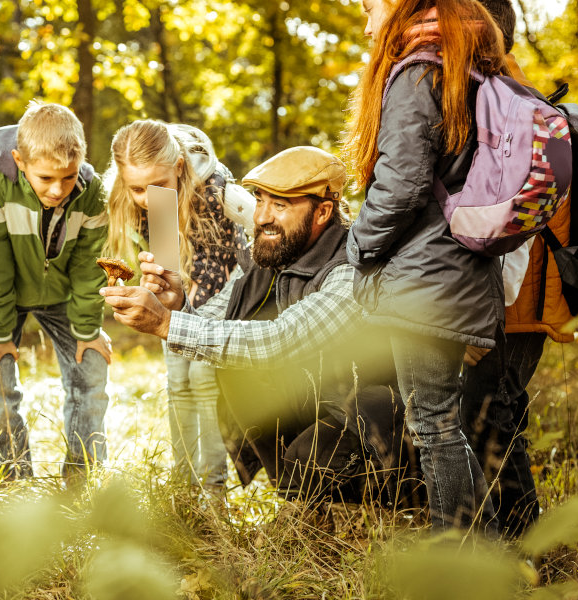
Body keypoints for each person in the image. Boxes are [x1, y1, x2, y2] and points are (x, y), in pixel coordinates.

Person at [102, 146, 420, 507]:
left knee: (310, 458)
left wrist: (164, 323)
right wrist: (179, 305)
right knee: (236, 374)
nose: (262, 216)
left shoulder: (351, 269)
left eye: (280, 205)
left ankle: (376, 508)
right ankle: (306, 503)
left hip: (379, 417)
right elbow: (225, 328)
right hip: (316, 402)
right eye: (259, 199)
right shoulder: (274, 255)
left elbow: (281, 339)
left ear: (323, 212)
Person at [345, 0, 508, 531]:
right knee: (445, 421)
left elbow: (402, 185)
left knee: (434, 425)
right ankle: (483, 549)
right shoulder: (468, 67)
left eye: (370, 9)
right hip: (458, 271)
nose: (367, 24)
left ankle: (458, 560)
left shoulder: (418, 72)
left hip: (427, 279)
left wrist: (358, 247)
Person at [460, 0, 575, 538]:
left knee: (490, 414)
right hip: (516, 295)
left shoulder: (499, 99)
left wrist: (483, 313)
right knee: (497, 412)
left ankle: (524, 551)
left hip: (512, 297)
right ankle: (518, 546)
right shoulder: (504, 91)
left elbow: (510, 221)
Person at [0, 101, 111, 483]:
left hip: (63, 293)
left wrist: (87, 329)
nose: (58, 189)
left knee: (92, 370)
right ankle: (11, 478)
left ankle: (84, 476)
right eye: (46, 179)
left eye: (67, 177)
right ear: (20, 160)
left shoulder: (93, 193)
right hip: (4, 296)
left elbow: (87, 267)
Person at [105, 120, 247, 489]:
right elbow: (169, 263)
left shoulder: (216, 189)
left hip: (229, 289)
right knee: (177, 381)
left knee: (202, 378)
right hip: (183, 291)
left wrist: (180, 315)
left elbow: (225, 266)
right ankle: (183, 486)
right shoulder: (150, 195)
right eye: (137, 188)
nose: (147, 197)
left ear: (179, 167)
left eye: (157, 186)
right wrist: (157, 281)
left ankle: (214, 490)